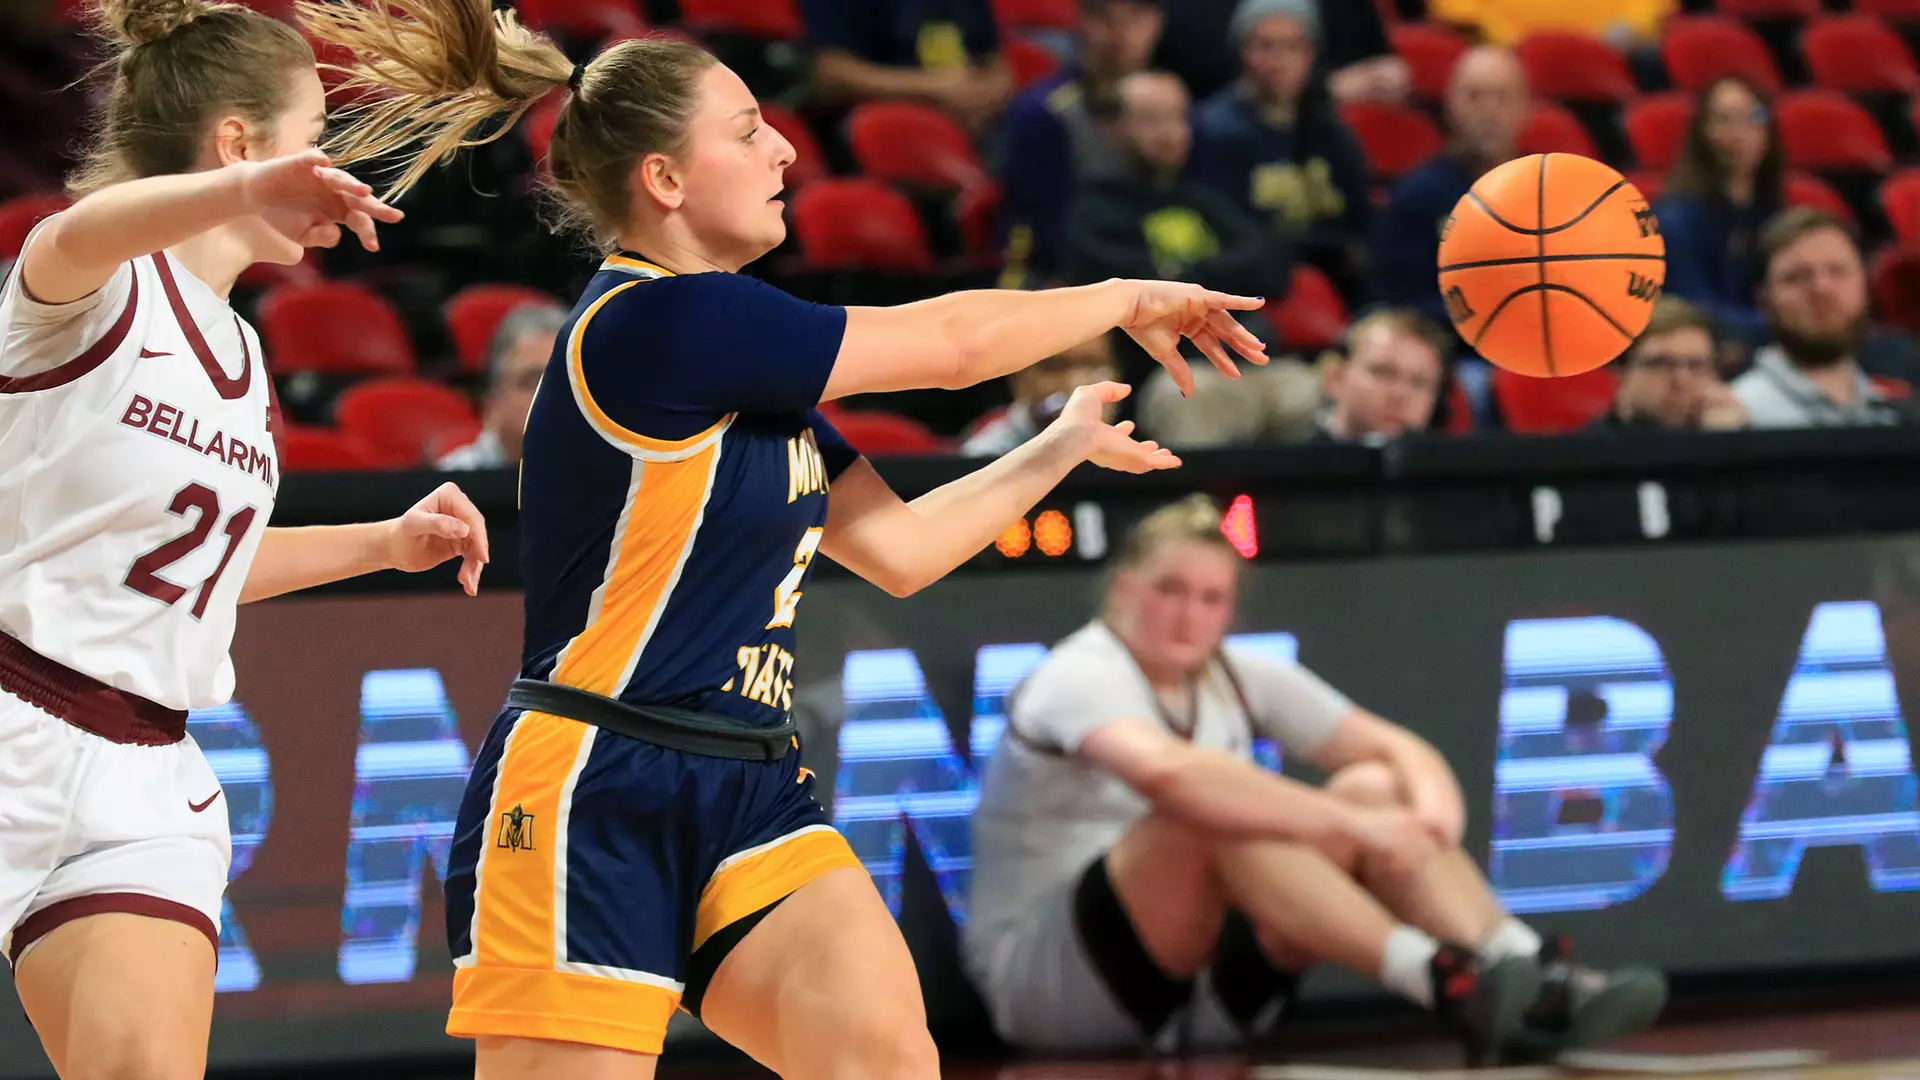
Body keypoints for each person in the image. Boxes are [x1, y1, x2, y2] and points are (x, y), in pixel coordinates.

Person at [300, 4, 1270, 1077]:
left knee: (889, 1061)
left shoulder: (745, 370)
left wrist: (1056, 448)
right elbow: (951, 346)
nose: (787, 148)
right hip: (595, 781)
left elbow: (900, 552)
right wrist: (1128, 293)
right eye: (750, 128)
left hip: (751, 782)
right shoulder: (660, 324)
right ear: (665, 181)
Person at [0, 3, 492, 1079]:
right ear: (237, 143)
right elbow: (66, 235)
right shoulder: (95, 287)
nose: (331, 162)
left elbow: (192, 573)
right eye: (312, 132)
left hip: (145, 769)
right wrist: (243, 194)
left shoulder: (238, 348)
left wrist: (383, 543)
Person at [965, 495, 1669, 1059]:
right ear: (1123, 589)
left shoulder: (1239, 675)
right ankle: (1440, 979)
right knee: (1216, 808)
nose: (1189, 615)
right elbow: (1171, 777)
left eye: (1211, 598)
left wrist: (1425, 827)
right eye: (1169, 590)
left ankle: (1521, 967)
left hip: (1208, 988)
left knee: (1370, 785)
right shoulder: (1078, 673)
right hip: (1052, 988)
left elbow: (1399, 750)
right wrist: (1358, 828)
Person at [1193, 0, 1374, 301]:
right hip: (1256, 293)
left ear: (1311, 55)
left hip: (1340, 286)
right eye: (1265, 46)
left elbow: (1363, 225)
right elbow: (1233, 236)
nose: (1280, 61)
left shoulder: (1331, 132)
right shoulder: (1214, 133)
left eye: (1294, 47)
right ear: (1241, 52)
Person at [995, 0, 1166, 288]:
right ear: (1080, 21)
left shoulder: (1172, 103)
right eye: (1103, 16)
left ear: (1156, 23)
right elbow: (1045, 230)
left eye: (1135, 17)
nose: (1119, 32)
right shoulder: (1044, 112)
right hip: (1067, 279)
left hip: (1156, 271)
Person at [1370, 46, 1527, 332]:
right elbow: (1404, 303)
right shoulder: (1416, 195)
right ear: (1450, 104)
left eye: (1503, 97)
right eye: (1474, 96)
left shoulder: (1546, 190)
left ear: (1525, 107)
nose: (1489, 111)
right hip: (1452, 349)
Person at [1732, 208, 1908, 429]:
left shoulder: (1896, 412)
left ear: (1865, 286)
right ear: (1763, 299)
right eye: (1798, 277)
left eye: (1838, 271)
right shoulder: (1740, 415)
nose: (1822, 289)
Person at [1655, 76, 1785, 354]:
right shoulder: (1676, 219)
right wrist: (1788, 323)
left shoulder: (1773, 212)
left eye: (1753, 116)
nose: (1740, 132)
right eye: (1724, 119)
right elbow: (1696, 309)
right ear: (1702, 133)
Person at [802, 0, 1012, 130]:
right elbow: (831, 73)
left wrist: (990, 92)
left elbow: (994, 60)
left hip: (975, 115)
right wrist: (934, 88)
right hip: (888, 113)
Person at [437, 301, 567, 470]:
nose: (552, 395)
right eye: (532, 382)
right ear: (492, 406)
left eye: (564, 381)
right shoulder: (450, 485)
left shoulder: (607, 476)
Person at [1592, 297, 1747, 431]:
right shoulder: (1587, 451)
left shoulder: (1727, 434)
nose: (1681, 380)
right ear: (1622, 373)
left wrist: (1726, 443)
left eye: (1696, 366)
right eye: (1662, 364)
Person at [961, 335, 1120, 457]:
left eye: (1093, 364)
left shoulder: (1129, 447)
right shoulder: (987, 455)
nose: (1077, 383)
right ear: (1019, 378)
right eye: (1054, 367)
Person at [1313, 308, 1449, 443]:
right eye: (1382, 373)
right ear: (1335, 378)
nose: (1400, 394)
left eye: (1420, 383)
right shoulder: (1296, 461)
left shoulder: (1449, 463)